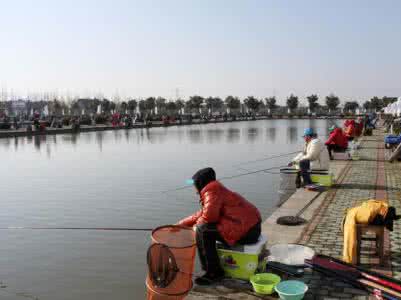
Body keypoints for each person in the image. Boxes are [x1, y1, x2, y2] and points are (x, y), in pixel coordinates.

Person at [177, 167, 262, 286]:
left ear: (200, 183)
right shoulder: (215, 189)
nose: (195, 190)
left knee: (203, 230)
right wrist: (181, 224)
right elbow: (203, 213)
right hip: (250, 228)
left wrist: (196, 227)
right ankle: (212, 269)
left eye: (195, 185)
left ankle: (213, 272)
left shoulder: (211, 191)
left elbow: (208, 218)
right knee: (203, 228)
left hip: (247, 231)